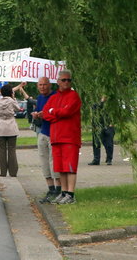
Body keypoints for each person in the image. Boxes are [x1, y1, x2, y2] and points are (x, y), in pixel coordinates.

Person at [20, 77, 61, 203]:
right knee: (44, 162)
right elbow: (38, 110)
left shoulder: (55, 96)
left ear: (50, 85)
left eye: (44, 84)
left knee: (53, 162)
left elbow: (58, 113)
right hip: (42, 132)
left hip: (54, 133)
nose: (42, 87)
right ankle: (50, 188)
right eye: (40, 85)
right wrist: (36, 114)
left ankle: (58, 189)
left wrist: (46, 114)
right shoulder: (40, 98)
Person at [44, 70, 82, 204]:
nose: (66, 82)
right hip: (56, 138)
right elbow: (45, 114)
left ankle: (71, 194)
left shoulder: (74, 96)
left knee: (70, 167)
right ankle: (64, 192)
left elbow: (67, 111)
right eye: (64, 80)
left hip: (70, 137)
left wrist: (54, 112)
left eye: (69, 80)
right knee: (60, 167)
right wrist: (55, 114)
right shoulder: (53, 97)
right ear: (58, 81)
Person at [0, 84, 21, 177]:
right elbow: (18, 108)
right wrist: (14, 98)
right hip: (10, 126)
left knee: (2, 150)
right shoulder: (11, 101)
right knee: (11, 149)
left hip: (1, 126)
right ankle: (13, 172)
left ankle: (3, 172)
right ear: (11, 92)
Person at [88, 96, 115, 166]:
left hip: (108, 125)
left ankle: (109, 159)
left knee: (109, 143)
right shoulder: (95, 101)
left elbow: (115, 112)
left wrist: (112, 122)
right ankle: (96, 159)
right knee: (96, 143)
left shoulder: (111, 102)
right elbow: (95, 108)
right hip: (97, 125)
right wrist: (101, 102)